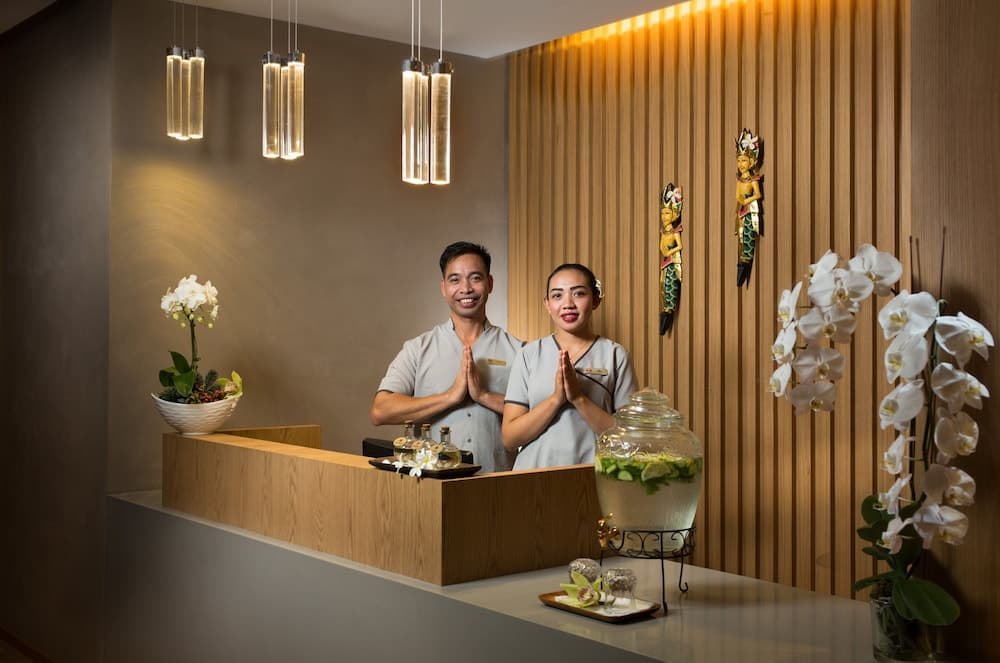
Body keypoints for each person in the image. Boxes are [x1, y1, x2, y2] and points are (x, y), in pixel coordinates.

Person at [369, 242, 523, 473]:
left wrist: (484, 396)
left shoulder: (519, 351)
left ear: (490, 283)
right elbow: (380, 411)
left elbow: (537, 415)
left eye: (475, 278)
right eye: (455, 280)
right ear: (443, 287)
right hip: (431, 484)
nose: (466, 288)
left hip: (496, 483)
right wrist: (450, 397)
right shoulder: (418, 349)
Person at [502, 263, 638, 469]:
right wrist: (556, 399)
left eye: (579, 293)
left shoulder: (615, 355)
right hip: (533, 476)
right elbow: (510, 438)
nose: (568, 304)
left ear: (596, 300)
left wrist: (578, 398)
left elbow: (629, 439)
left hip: (593, 475)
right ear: (547, 304)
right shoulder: (528, 354)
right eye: (557, 295)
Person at [734, 127, 763, 287]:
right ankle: (742, 262)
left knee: (748, 238)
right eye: (739, 160)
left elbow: (757, 194)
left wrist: (747, 199)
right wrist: (742, 200)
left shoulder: (753, 179)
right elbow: (738, 196)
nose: (740, 164)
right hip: (742, 212)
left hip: (750, 211)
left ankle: (745, 262)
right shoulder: (740, 180)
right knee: (741, 237)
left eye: (744, 160)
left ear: (752, 161)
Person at [659, 183, 684, 336]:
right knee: (663, 285)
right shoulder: (664, 232)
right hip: (665, 263)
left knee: (670, 284)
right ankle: (666, 307)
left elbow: (679, 246)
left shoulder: (675, 232)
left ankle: (668, 309)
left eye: (667, 213)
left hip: (672, 262)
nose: (664, 217)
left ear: (674, 214)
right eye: (662, 214)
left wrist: (670, 251)